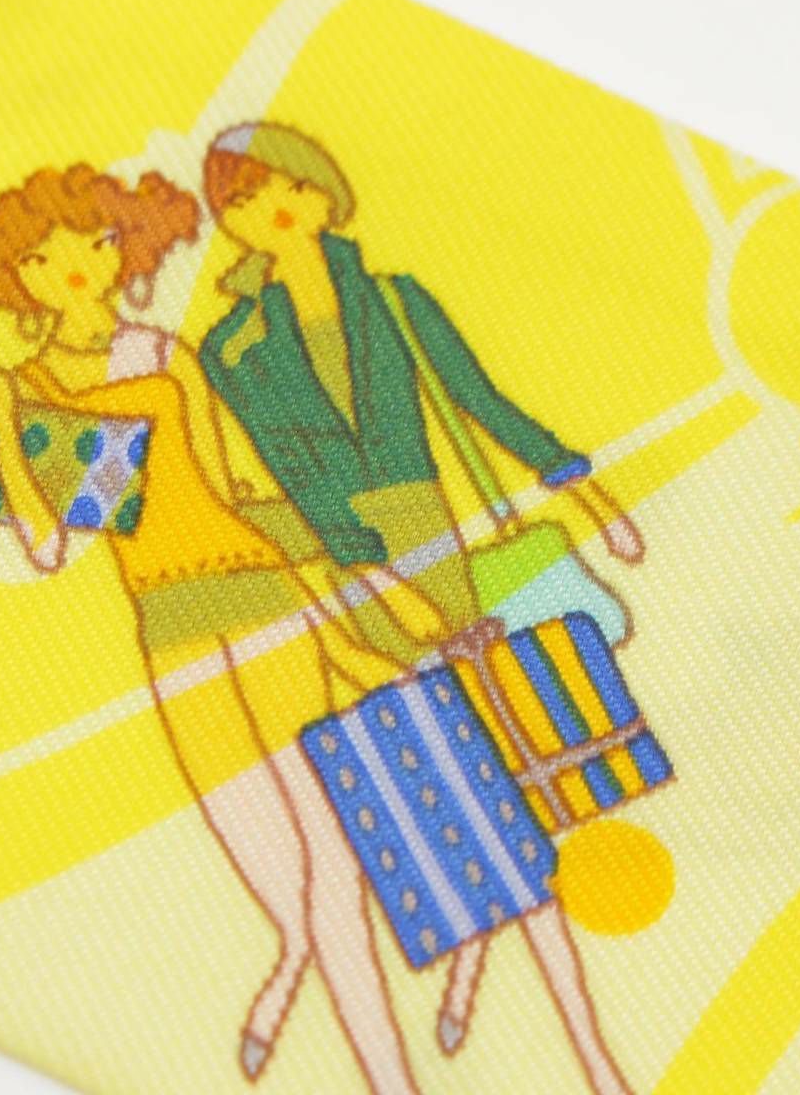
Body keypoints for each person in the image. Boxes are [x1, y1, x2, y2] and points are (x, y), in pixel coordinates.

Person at [0, 163, 426, 1094]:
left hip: (256, 593)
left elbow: (230, 485)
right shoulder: (25, 390)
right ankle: (292, 961)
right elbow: (48, 546)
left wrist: (340, 595)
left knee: (327, 845)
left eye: (97, 240)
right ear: (16, 277)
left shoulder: (161, 354)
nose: (77, 264)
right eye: (43, 256)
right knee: (260, 849)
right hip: (171, 628)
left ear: (128, 246)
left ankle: (387, 1073)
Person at [197, 123, 639, 1094]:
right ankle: (509, 979)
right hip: (352, 568)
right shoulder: (234, 346)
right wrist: (340, 560)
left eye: (284, 185)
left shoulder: (392, 298)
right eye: (241, 199)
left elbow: (479, 398)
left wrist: (581, 484)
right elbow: (272, 470)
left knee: (504, 753)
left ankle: (554, 1015)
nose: (268, 209)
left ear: (322, 190)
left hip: (432, 535)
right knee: (444, 761)